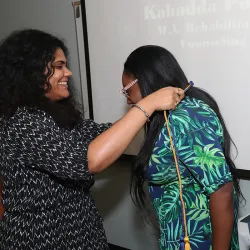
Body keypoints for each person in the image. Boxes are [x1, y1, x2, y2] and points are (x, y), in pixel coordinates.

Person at [0, 29, 184, 250]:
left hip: (81, 232)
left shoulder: (54, 115)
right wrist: (148, 104)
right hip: (41, 238)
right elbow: (89, 162)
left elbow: (102, 134)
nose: (68, 73)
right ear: (30, 72)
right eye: (59, 66)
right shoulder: (21, 122)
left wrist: (147, 111)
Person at [123, 45, 242, 250]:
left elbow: (221, 191)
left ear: (145, 80)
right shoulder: (166, 116)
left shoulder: (185, 117)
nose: (127, 98)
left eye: (127, 90)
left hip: (199, 241)